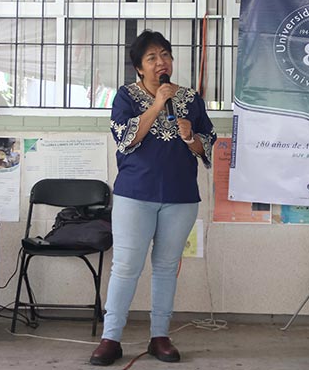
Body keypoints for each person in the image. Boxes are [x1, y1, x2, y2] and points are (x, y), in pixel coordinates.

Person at [90, 30, 216, 366]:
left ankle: (160, 336)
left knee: (164, 268)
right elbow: (127, 138)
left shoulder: (190, 98)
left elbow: (207, 145)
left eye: (165, 55)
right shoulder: (126, 97)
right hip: (135, 195)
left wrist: (191, 137)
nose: (161, 62)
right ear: (139, 68)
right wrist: (158, 102)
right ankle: (111, 339)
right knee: (126, 268)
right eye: (152, 57)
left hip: (181, 196)